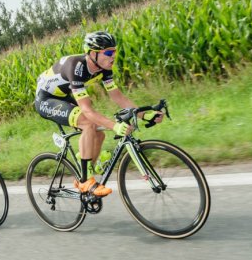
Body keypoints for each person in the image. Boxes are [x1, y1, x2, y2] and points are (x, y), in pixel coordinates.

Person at [34, 30, 162, 197]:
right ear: (93, 53)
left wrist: (145, 114)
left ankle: (83, 170)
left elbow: (118, 97)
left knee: (98, 135)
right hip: (46, 98)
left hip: (64, 96)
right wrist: (115, 126)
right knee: (88, 123)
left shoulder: (104, 68)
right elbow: (87, 110)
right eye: (108, 52)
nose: (113, 56)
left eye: (115, 51)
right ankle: (85, 181)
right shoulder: (77, 67)